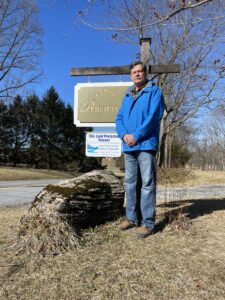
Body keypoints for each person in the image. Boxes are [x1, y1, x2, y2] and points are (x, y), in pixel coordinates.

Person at [115, 61, 164, 238]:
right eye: (134, 72)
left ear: (145, 73)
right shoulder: (127, 95)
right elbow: (118, 119)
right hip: (129, 147)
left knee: (147, 184)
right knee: (130, 183)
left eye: (140, 71)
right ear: (131, 75)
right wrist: (124, 135)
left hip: (146, 145)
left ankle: (148, 223)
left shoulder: (154, 91)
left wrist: (136, 135)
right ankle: (131, 218)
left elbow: (153, 117)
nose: (137, 74)